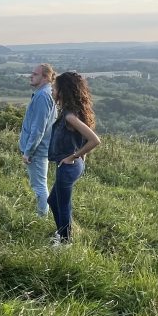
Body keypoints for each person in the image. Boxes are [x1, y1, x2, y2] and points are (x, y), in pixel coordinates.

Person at [47, 71, 101, 246]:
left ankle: (65, 242)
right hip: (69, 165)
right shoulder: (69, 113)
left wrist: (74, 157)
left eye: (55, 88)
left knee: (63, 205)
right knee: (53, 201)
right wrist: (79, 157)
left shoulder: (70, 116)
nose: (52, 91)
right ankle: (62, 233)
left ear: (63, 91)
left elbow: (94, 140)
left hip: (68, 166)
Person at [19, 63, 56, 217]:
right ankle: (42, 215)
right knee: (39, 184)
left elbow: (38, 128)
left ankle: (42, 218)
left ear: (45, 77)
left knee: (39, 186)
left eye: (35, 74)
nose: (31, 76)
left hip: (37, 150)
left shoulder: (42, 96)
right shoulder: (46, 93)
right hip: (40, 148)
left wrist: (28, 151)